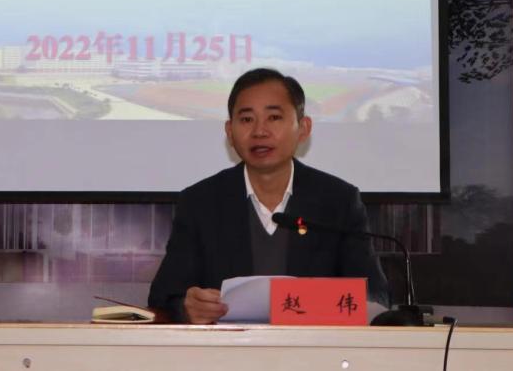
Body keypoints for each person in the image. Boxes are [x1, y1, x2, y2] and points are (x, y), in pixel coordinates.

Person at [147, 67, 389, 323]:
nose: (259, 131)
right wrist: (187, 309)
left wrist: (311, 304)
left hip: (313, 346)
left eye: (274, 117)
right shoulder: (200, 203)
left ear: (303, 128)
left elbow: (376, 296)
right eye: (246, 119)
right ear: (230, 132)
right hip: (228, 346)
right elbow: (163, 298)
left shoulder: (338, 201)